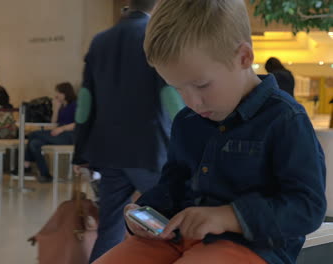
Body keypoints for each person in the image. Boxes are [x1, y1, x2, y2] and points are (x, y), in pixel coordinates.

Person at [93, 0, 326, 264]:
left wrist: (229, 216)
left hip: (254, 247)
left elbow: (307, 207)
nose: (191, 101)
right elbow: (172, 185)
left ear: (243, 58)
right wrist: (146, 213)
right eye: (178, 89)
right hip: (176, 238)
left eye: (201, 85)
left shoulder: (285, 119)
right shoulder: (187, 121)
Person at [72, 0, 185, 262]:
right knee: (171, 221)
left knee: (110, 227)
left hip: (108, 152)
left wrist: (80, 149)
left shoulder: (100, 41)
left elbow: (85, 101)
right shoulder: (155, 37)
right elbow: (170, 95)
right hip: (150, 150)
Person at [23, 82, 77, 183]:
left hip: (69, 135)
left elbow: (78, 124)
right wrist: (55, 109)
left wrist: (62, 128)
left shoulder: (75, 105)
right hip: (59, 133)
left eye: (59, 93)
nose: (56, 96)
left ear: (65, 93)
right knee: (34, 143)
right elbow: (53, 122)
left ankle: (26, 164)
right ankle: (45, 174)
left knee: (33, 134)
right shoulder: (62, 107)